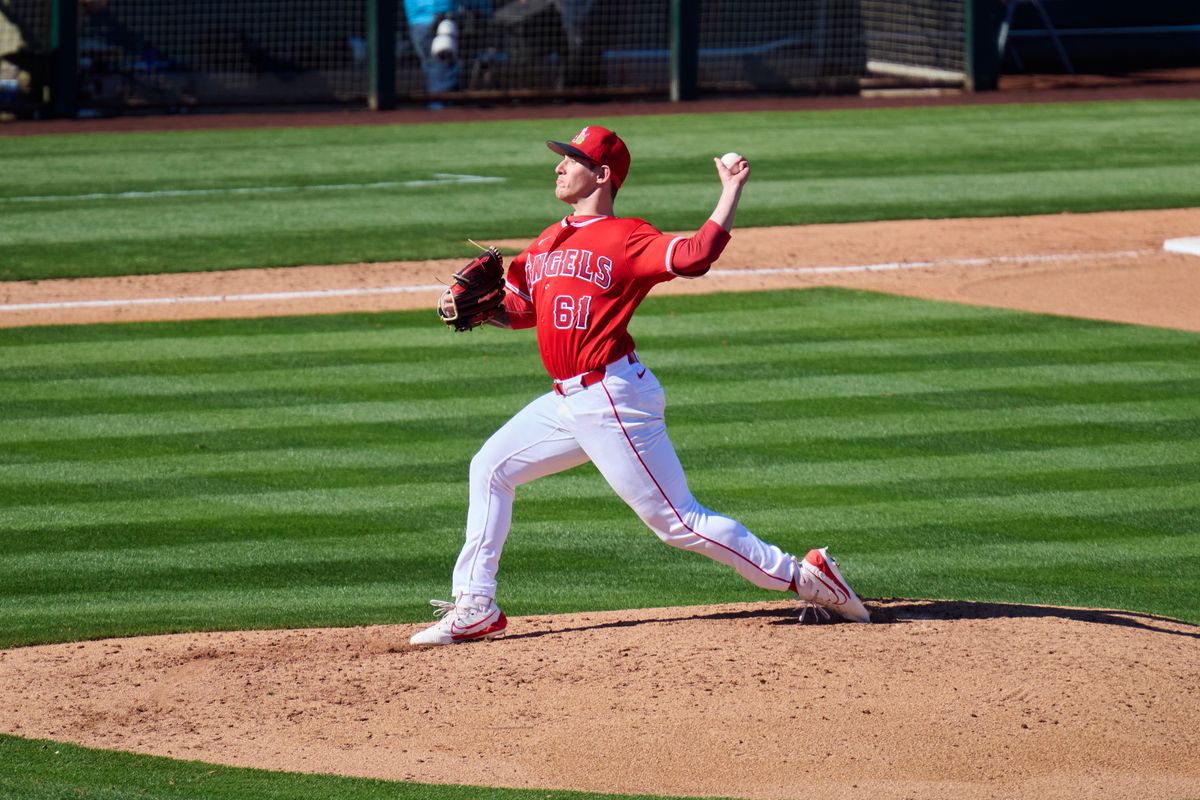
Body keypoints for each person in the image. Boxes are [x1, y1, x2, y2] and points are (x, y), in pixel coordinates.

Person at [411, 125, 870, 645]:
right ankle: (476, 605)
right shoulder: (545, 242)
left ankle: (805, 576)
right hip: (565, 400)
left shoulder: (628, 237)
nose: (559, 166)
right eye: (561, 157)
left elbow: (695, 256)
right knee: (490, 468)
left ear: (602, 175)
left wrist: (729, 191)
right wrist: (475, 310)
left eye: (572, 159)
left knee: (677, 522)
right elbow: (521, 311)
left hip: (612, 397)